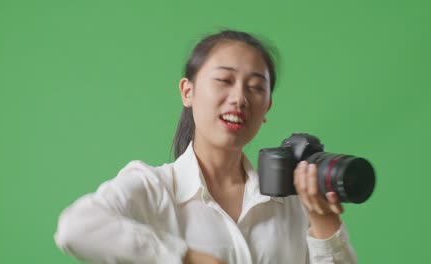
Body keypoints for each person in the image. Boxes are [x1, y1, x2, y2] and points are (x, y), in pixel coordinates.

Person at [54, 30, 357, 264]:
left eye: (255, 87)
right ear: (188, 91)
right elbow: (76, 227)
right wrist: (185, 257)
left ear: (267, 108)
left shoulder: (290, 200)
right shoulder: (154, 188)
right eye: (224, 80)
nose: (239, 98)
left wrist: (324, 222)